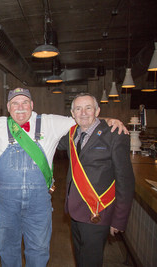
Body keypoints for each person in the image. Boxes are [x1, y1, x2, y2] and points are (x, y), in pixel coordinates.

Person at [0, 88, 127, 267]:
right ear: (8, 107)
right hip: (7, 203)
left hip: (39, 204)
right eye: (15, 103)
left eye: (24, 102)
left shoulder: (50, 121)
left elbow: (84, 120)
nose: (20, 107)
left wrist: (109, 120)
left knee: (38, 249)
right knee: (7, 248)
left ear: (32, 105)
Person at [57, 93, 134, 267]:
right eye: (78, 108)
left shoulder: (115, 134)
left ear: (97, 111)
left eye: (88, 108)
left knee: (90, 261)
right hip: (74, 211)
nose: (83, 112)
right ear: (72, 113)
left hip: (97, 212)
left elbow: (125, 180)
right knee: (80, 258)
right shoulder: (71, 134)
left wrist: (119, 219)